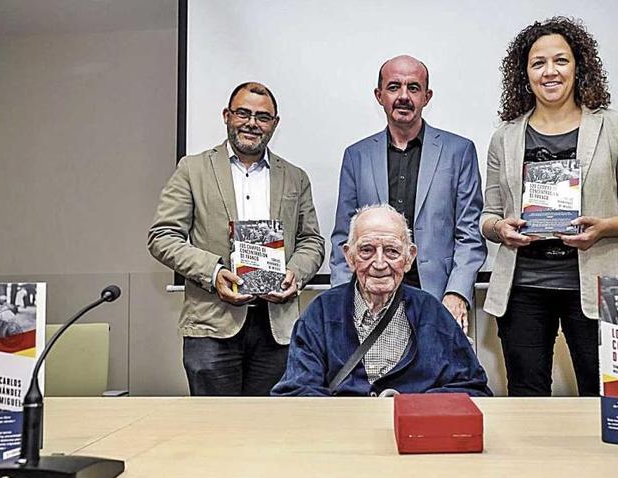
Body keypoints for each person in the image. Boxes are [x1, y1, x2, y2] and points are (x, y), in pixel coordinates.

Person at [480, 17, 618, 396]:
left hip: (597, 287)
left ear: (578, 65)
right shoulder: (505, 136)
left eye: (560, 61)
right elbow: (488, 216)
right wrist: (501, 230)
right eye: (538, 63)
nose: (550, 72)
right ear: (524, 73)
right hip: (523, 289)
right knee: (527, 399)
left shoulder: (614, 126)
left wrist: (604, 228)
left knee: (607, 398)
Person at [148, 82, 325, 396]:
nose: (252, 123)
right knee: (215, 433)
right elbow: (162, 236)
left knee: (271, 432)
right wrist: (214, 273)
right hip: (212, 325)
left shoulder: (294, 176)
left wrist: (294, 273)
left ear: (275, 124)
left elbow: (311, 240)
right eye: (243, 113)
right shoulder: (193, 169)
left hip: (277, 329)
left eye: (262, 117)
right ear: (227, 116)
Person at [330, 55, 486, 334]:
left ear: (427, 96)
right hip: (370, 299)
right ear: (379, 96)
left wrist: (458, 294)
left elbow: (470, 236)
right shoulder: (357, 156)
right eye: (394, 87)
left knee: (437, 377)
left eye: (413, 88)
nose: (404, 96)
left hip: (438, 300)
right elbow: (344, 236)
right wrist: (343, 301)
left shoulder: (458, 152)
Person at [273, 205, 491, 397]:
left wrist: (412, 407)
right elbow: (297, 391)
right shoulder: (321, 312)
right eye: (367, 250)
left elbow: (473, 387)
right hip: (344, 435)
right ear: (349, 257)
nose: (379, 263)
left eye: (392, 251)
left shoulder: (432, 313)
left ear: (409, 258)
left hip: (413, 435)